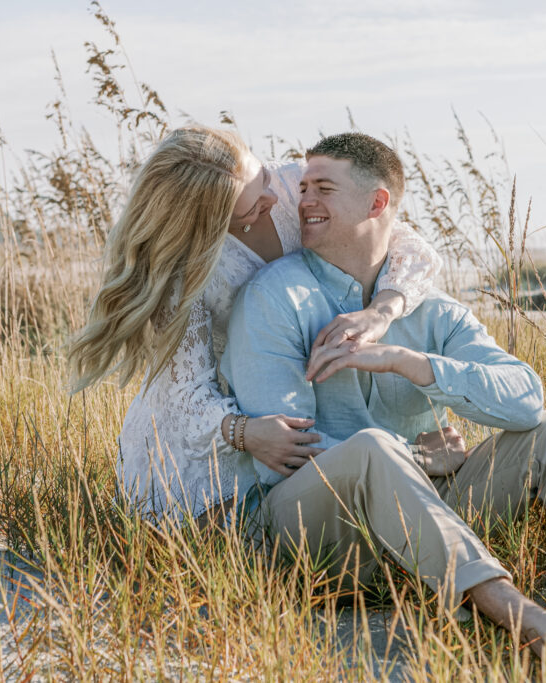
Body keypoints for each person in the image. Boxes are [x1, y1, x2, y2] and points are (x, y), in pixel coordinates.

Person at [221, 133, 546, 681]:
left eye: (322, 188)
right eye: (303, 187)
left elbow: (525, 396)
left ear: (377, 203)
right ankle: (532, 626)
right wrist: (411, 454)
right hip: (317, 536)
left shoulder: (431, 311)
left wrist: (408, 362)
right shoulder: (274, 296)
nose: (303, 201)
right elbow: (288, 449)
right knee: (375, 447)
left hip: (429, 524)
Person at [66, 125, 441, 519]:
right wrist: (245, 433)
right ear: (211, 221)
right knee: (243, 539)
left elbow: (404, 242)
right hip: (221, 424)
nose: (272, 196)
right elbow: (185, 399)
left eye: (261, 176)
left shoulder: (294, 183)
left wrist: (380, 311)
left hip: (299, 383)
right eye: (251, 207)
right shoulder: (181, 272)